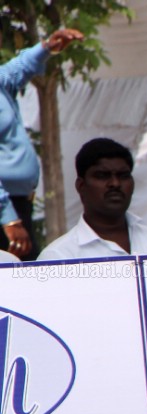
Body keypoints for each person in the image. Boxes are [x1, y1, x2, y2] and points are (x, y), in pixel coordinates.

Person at [0, 28, 84, 260]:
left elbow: (18, 68)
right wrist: (8, 218)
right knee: (17, 288)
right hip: (6, 211)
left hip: (17, 205)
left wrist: (47, 47)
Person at [38, 138, 147, 260]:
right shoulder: (59, 256)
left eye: (123, 175)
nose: (115, 183)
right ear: (81, 186)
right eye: (102, 175)